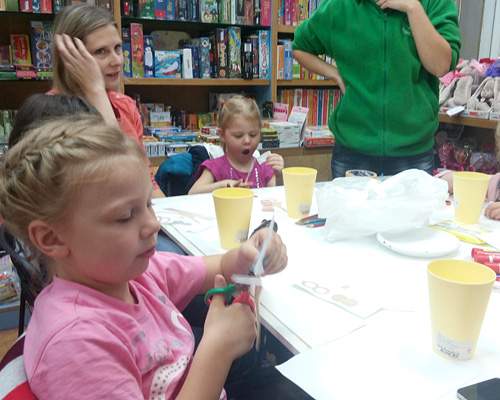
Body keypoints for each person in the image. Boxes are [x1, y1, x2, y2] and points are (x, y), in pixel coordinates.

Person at [0, 115, 292, 399]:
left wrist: (247, 255)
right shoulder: (75, 343)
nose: (153, 224)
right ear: (51, 239)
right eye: (126, 216)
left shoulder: (135, 274)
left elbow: (216, 267)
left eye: (148, 204)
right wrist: (218, 350)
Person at [291, 0, 461, 178]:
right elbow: (300, 46)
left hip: (413, 152)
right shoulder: (340, 5)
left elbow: (440, 66)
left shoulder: (433, 3)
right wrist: (335, 75)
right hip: (353, 151)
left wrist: (413, 8)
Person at [50, 3, 165, 198]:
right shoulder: (47, 113)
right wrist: (95, 91)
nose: (117, 61)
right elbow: (121, 177)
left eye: (117, 48)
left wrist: (168, 212)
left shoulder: (125, 106)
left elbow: (146, 182)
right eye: (101, 51)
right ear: (69, 57)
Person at [188, 95, 284, 194]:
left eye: (253, 135)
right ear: (222, 135)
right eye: (238, 136)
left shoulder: (264, 166)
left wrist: (279, 176)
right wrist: (223, 185)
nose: (247, 141)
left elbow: (277, 195)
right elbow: (192, 193)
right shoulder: (216, 167)